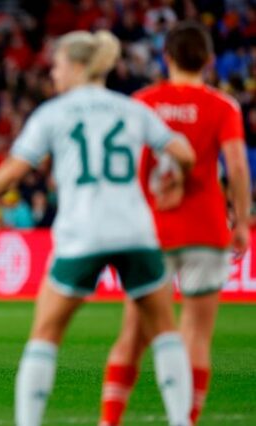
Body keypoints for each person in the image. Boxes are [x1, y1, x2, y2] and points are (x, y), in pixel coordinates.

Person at [0, 30, 197, 426]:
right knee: (164, 330)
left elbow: (12, 171)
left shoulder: (53, 114)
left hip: (83, 234)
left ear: (77, 67)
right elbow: (184, 152)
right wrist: (175, 177)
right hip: (135, 232)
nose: (53, 74)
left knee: (45, 332)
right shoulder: (130, 108)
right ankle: (181, 421)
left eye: (57, 65)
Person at [99, 22, 251, 426]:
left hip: (150, 232)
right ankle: (185, 420)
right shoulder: (223, 107)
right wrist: (241, 219)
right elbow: (236, 165)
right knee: (196, 334)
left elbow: (126, 168)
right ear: (209, 61)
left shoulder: (142, 103)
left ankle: (109, 421)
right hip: (206, 229)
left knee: (134, 331)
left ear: (165, 58)